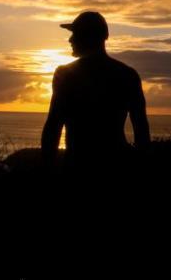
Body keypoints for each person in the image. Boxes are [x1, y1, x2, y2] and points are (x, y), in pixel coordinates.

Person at [41, 11, 150, 173]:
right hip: (117, 165)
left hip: (77, 166)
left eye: (75, 34)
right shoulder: (128, 74)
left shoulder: (65, 74)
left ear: (88, 37)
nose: (70, 40)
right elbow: (141, 131)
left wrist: (46, 169)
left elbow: (53, 126)